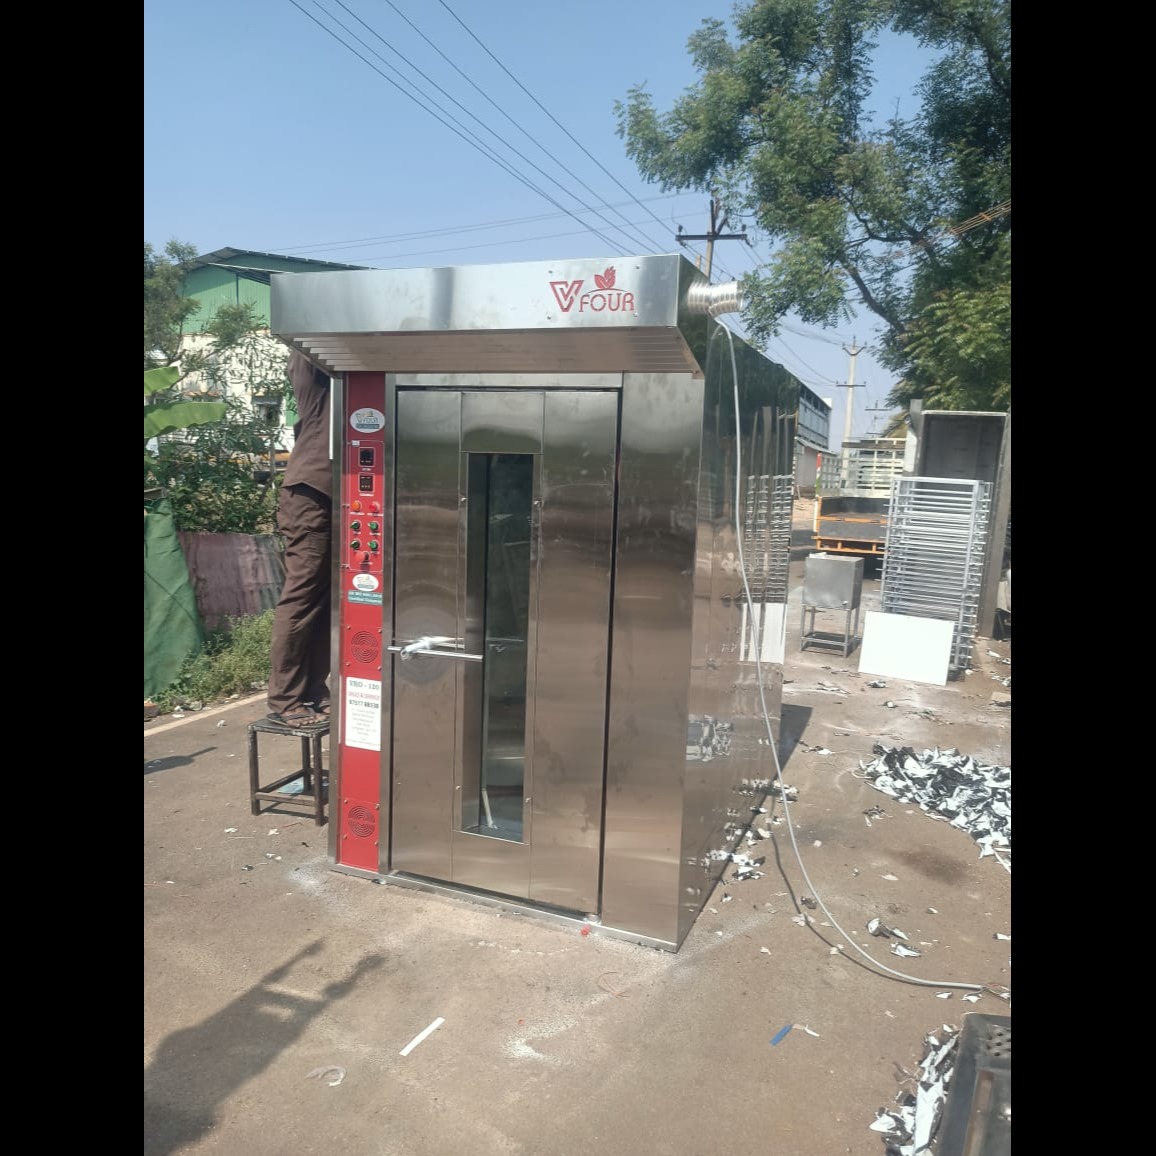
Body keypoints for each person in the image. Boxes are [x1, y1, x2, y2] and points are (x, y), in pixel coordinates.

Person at [266, 350, 332, 728]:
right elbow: (303, 348)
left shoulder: (346, 382)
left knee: (326, 601)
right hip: (310, 493)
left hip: (335, 494)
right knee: (303, 595)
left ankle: (314, 689)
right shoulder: (313, 366)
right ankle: (285, 697)